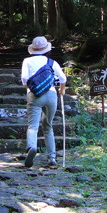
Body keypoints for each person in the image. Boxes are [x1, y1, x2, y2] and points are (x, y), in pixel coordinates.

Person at [21, 36, 67, 168]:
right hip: (51, 95)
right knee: (48, 126)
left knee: (33, 126)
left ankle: (32, 147)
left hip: (34, 95)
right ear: (47, 49)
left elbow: (24, 79)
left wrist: (31, 89)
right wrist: (62, 90)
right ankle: (52, 158)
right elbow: (63, 78)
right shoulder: (52, 62)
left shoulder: (27, 61)